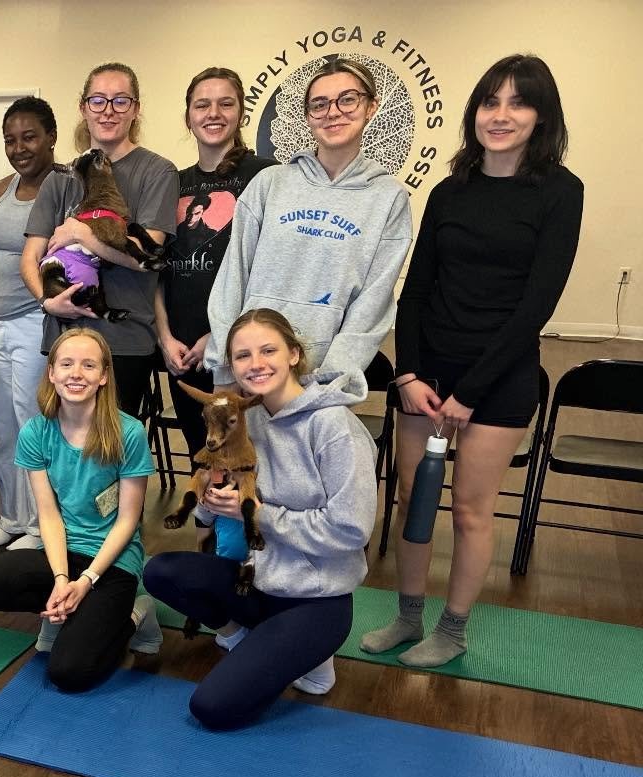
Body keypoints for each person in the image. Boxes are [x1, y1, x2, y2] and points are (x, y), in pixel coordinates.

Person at [362, 55, 583, 668]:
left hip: (501, 378)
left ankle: (453, 630)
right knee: (412, 502)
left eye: (518, 102)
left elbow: (535, 306)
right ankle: (408, 617)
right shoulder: (449, 191)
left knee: (468, 509)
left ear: (541, 116)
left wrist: (469, 394)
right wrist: (406, 374)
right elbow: (417, 291)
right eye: (491, 102)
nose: (501, 115)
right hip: (426, 374)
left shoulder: (561, 194)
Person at [143, 309, 377, 729]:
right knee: (161, 571)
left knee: (211, 709)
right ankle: (242, 638)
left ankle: (313, 654)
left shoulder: (334, 427)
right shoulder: (243, 418)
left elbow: (351, 530)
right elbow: (209, 512)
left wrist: (260, 515)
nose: (256, 363)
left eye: (268, 350)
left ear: (293, 354)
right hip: (255, 582)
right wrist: (212, 502)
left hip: (315, 597)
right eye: (243, 355)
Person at [203, 58, 412, 395]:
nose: (333, 112)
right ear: (308, 115)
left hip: (324, 383)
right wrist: (226, 365)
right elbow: (233, 277)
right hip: (248, 372)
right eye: (320, 104)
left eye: (348, 99)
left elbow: (373, 303)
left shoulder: (388, 198)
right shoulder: (270, 182)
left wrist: (331, 380)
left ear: (370, 106)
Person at [0, 328, 162, 692]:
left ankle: (138, 613)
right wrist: (62, 580)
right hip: (62, 551)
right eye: (67, 364)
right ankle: (64, 607)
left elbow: (127, 521)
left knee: (69, 673)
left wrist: (87, 580)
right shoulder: (35, 433)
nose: (76, 373)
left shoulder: (129, 433)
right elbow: (49, 515)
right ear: (52, 373)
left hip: (113, 560)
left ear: (104, 375)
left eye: (89, 365)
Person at [21, 62, 178, 424]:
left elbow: (145, 258)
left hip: (123, 342)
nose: (108, 110)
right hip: (63, 339)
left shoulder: (157, 172)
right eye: (98, 100)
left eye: (120, 101)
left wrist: (81, 234)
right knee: (63, 453)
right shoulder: (59, 180)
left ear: (135, 109)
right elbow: (30, 258)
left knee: (114, 455)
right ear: (83, 107)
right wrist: (47, 300)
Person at [154, 67, 276, 460]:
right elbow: (156, 269)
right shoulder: (173, 181)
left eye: (226, 103)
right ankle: (209, 523)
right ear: (188, 114)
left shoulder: (265, 176)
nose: (213, 113)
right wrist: (164, 337)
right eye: (202, 104)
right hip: (180, 350)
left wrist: (219, 335)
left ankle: (236, 524)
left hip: (236, 345)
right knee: (202, 458)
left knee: (240, 461)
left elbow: (267, 268)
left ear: (241, 112)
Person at [0, 95, 63, 553]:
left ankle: (39, 524)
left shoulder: (68, 187)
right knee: (3, 424)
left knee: (34, 421)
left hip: (35, 319)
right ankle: (11, 517)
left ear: (51, 137)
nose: (19, 147)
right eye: (10, 140)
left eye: (29, 137)